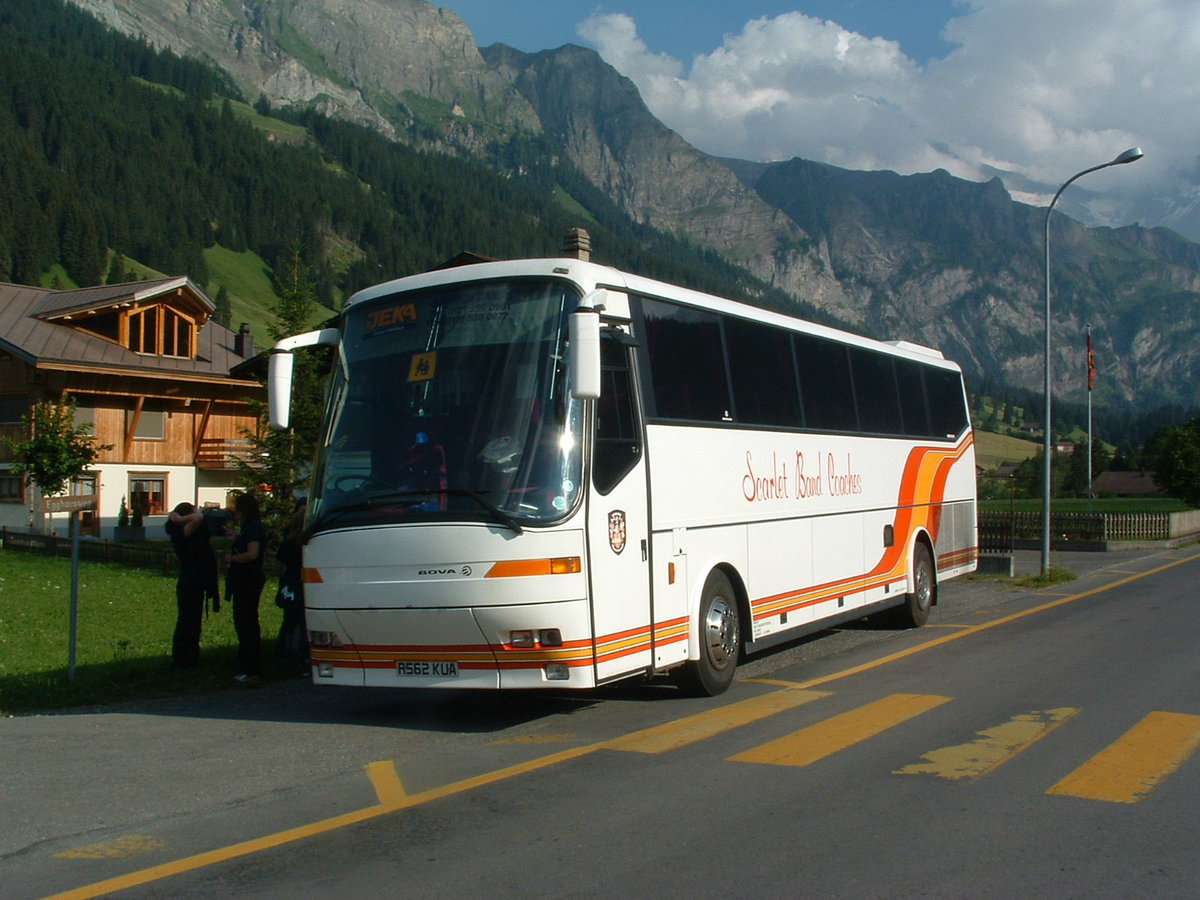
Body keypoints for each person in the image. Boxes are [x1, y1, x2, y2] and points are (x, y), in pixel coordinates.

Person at [165, 502, 219, 668]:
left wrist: (176, 517)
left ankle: (189, 657)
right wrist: (179, 517)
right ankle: (184, 659)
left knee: (192, 621)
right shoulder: (182, 533)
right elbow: (197, 517)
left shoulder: (182, 531)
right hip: (191, 580)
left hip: (192, 579)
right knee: (188, 621)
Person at [227, 492, 267, 682]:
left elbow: (252, 554)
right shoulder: (249, 527)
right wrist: (236, 539)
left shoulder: (252, 528)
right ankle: (247, 663)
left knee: (246, 622)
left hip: (248, 579)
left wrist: (233, 558)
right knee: (244, 621)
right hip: (246, 579)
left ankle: (250, 666)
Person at [274, 499, 309, 673]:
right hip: (304, 583)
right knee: (304, 622)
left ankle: (283, 651)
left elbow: (279, 563)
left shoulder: (288, 542)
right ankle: (304, 657)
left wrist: (284, 577)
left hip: (290, 583)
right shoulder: (307, 544)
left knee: (288, 620)